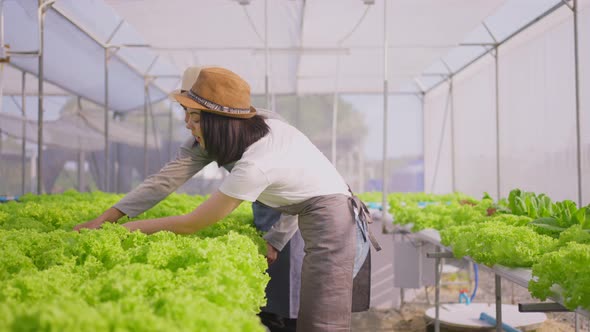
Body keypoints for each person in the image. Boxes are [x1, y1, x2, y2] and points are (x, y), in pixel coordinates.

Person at [75, 66, 374, 332]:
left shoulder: (256, 162)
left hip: (333, 218)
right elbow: (162, 182)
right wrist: (104, 220)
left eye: (194, 117)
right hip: (308, 208)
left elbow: (192, 223)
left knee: (322, 322)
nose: (187, 125)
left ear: (219, 122)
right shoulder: (236, 134)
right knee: (312, 317)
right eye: (186, 115)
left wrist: (121, 231)